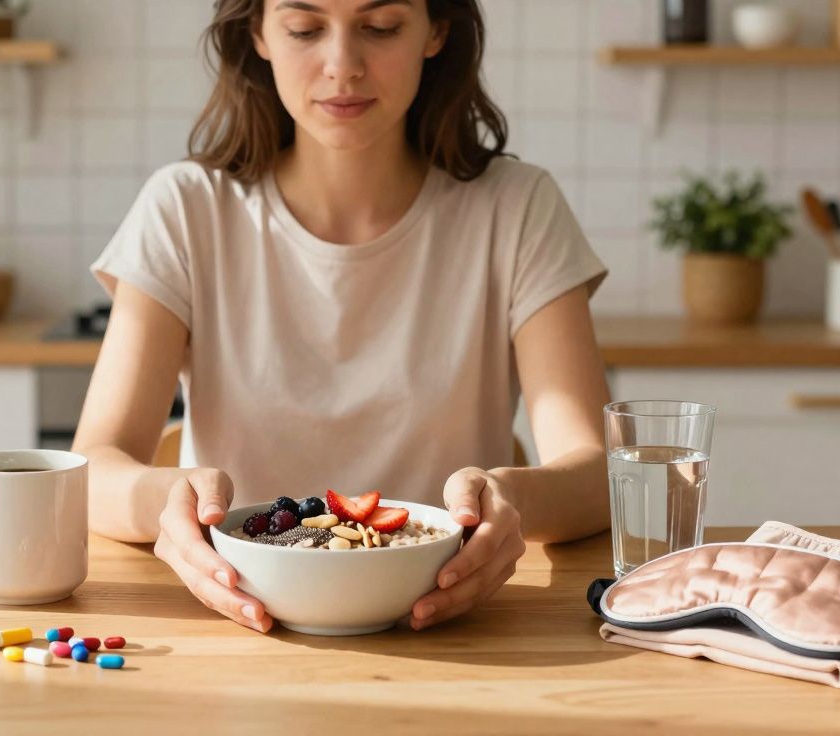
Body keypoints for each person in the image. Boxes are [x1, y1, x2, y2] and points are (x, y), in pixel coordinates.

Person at [72, 0, 611, 633]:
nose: (342, 66)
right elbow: (93, 468)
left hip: (451, 631)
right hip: (239, 630)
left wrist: (509, 500)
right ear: (259, 35)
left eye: (380, 27)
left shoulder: (518, 209)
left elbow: (600, 471)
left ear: (435, 31)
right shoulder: (185, 208)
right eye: (304, 29)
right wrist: (170, 503)